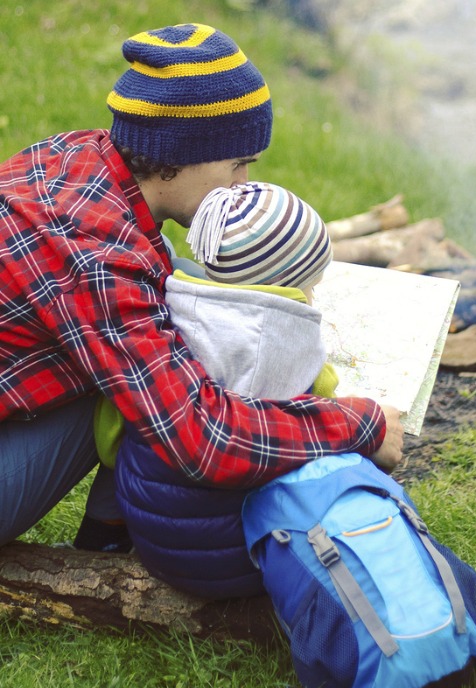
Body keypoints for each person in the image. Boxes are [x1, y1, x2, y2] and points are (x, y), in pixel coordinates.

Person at [0, 23, 403, 553]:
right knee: (164, 368)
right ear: (177, 154)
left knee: (174, 290)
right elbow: (203, 440)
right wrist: (360, 424)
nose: (242, 184)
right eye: (237, 165)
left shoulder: (72, 156)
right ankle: (110, 540)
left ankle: (109, 532)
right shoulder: (101, 261)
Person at [99, 181, 342, 596]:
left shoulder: (164, 314)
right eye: (311, 285)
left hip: (151, 538)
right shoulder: (296, 344)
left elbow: (108, 435)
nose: (313, 295)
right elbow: (322, 419)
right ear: (285, 283)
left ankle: (102, 533)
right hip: (239, 555)